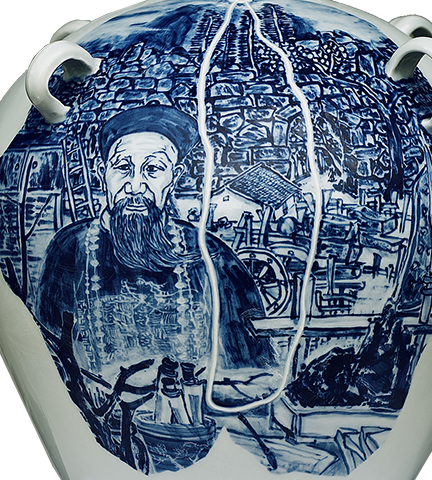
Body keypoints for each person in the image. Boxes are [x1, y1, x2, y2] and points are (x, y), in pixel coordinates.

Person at [35, 105, 277, 385]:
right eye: (123, 168)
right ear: (103, 173)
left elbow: (251, 368)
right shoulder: (69, 249)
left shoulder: (211, 256)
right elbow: (45, 358)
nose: (136, 186)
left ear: (174, 177)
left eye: (153, 169)